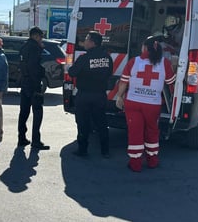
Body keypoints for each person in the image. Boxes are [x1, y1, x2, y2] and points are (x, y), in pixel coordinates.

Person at [116, 35, 176, 172]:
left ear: (144, 47)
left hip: (133, 102)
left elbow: (124, 82)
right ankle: (152, 160)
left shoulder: (134, 61)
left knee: (135, 132)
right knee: (152, 131)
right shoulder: (165, 63)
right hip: (153, 105)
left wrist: (119, 97)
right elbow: (171, 84)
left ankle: (135, 164)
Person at [68, 31, 113, 158]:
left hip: (85, 95)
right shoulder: (107, 58)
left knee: (83, 123)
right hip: (100, 95)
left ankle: (83, 150)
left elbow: (72, 72)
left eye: (86, 39)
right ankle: (105, 151)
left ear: (92, 42)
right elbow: (109, 73)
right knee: (102, 123)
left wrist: (68, 67)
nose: (84, 42)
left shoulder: (84, 58)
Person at [17, 26, 49, 150]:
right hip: (33, 84)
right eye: (40, 37)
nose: (41, 40)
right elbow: (35, 67)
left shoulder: (24, 47)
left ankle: (21, 138)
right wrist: (38, 87)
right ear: (35, 36)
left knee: (24, 112)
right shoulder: (35, 48)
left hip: (24, 82)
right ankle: (36, 140)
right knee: (37, 112)